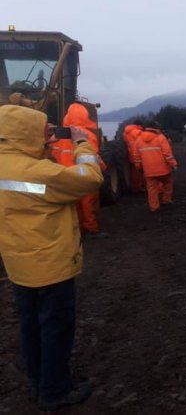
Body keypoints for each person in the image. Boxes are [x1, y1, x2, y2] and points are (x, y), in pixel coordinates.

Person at [0, 105, 103, 411]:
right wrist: (83, 143)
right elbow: (90, 178)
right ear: (26, 134)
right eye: (43, 131)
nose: (48, 136)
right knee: (56, 327)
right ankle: (55, 390)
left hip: (18, 264)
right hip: (50, 266)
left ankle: (37, 382)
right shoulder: (40, 172)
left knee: (30, 326)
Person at [53, 103, 108, 238]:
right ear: (85, 116)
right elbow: (92, 156)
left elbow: (53, 157)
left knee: (73, 205)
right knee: (88, 203)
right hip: (83, 174)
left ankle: (77, 230)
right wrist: (102, 168)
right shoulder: (87, 135)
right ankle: (91, 229)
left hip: (65, 176)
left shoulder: (56, 136)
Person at [133, 122, 177, 212]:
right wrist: (173, 164)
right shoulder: (161, 138)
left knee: (151, 190)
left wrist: (139, 167)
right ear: (156, 128)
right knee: (168, 183)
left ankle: (154, 207)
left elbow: (136, 157)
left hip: (148, 171)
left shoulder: (138, 140)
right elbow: (167, 154)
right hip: (163, 170)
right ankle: (166, 200)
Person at [123, 121, 145, 193]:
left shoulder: (125, 132)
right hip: (139, 154)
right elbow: (144, 141)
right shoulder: (138, 132)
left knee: (134, 172)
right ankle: (142, 186)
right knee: (142, 171)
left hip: (131, 154)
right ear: (139, 125)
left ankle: (135, 188)